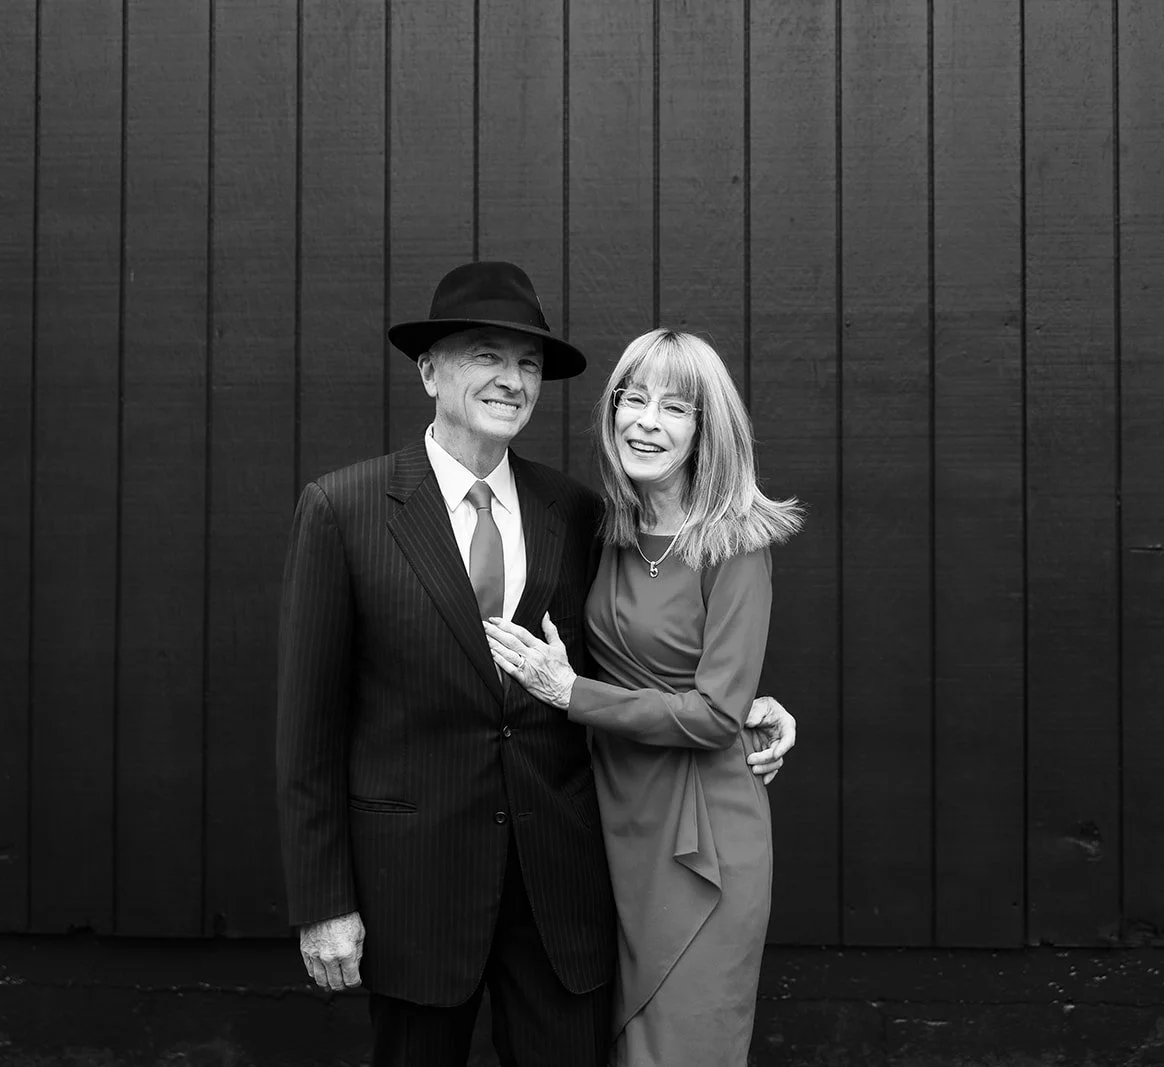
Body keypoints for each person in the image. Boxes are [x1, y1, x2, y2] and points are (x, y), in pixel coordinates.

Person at [275, 262, 796, 1067]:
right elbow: (307, 729)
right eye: (486, 355)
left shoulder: (578, 514)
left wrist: (750, 702)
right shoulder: (344, 510)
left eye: (527, 363)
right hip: (417, 891)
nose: (511, 379)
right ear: (429, 372)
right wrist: (323, 902)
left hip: (564, 888)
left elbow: (642, 650)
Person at [484, 328, 802, 1067]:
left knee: (685, 1044)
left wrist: (571, 692)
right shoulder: (610, 529)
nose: (647, 422)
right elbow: (668, 668)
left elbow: (715, 715)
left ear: (705, 430)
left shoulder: (736, 544)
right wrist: (756, 700)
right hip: (618, 820)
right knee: (625, 1043)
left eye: (675, 408)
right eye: (634, 399)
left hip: (703, 836)